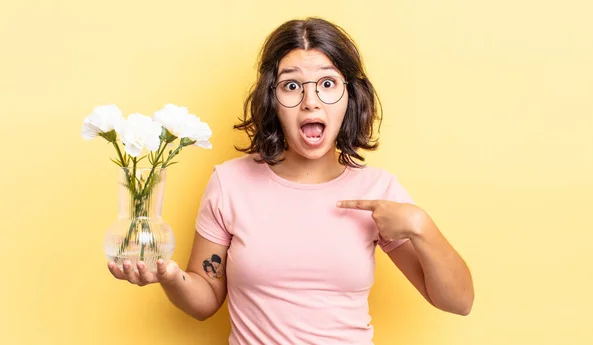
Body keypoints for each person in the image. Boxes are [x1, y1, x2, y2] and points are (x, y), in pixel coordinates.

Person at [107, 17, 474, 345]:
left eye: (327, 83)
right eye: (292, 86)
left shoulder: (376, 192)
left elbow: (458, 302)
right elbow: (204, 301)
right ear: (272, 99)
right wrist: (170, 276)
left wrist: (421, 226)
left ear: (350, 95)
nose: (311, 101)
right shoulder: (230, 183)